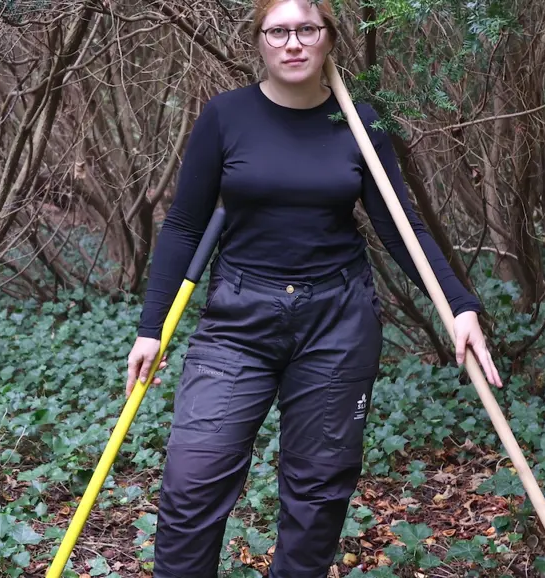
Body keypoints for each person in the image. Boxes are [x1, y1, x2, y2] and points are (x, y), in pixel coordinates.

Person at [124, 0, 503, 575]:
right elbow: (182, 225)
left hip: (337, 321)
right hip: (238, 320)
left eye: (307, 29)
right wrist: (151, 329)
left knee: (319, 494)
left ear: (328, 38)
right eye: (279, 31)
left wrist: (459, 306)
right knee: (192, 482)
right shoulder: (226, 116)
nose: (293, 42)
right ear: (259, 41)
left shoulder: (361, 122)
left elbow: (401, 227)